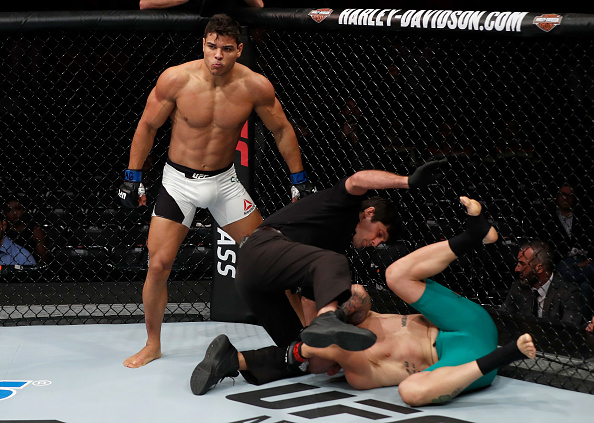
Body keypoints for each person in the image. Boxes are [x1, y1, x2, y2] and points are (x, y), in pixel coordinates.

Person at [191, 197, 537, 406]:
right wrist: (332, 319)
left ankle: (474, 236)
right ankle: (233, 359)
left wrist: (340, 313)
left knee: (391, 283)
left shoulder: (348, 334)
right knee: (408, 386)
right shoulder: (359, 368)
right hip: (464, 354)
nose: (374, 243)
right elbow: (320, 332)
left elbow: (352, 300)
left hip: (465, 338)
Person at [118, 13, 313, 368]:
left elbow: (282, 131)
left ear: (239, 49)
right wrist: (133, 176)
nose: (217, 56)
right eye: (211, 47)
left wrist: (298, 180)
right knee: (159, 264)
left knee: (273, 259)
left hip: (224, 184)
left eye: (226, 48)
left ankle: (308, 338)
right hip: (178, 183)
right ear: (203, 45)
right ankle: (152, 343)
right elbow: (147, 125)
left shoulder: (255, 86)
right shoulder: (177, 79)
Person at [234, 159, 448, 353]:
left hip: (253, 282)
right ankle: (328, 319)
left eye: (380, 242)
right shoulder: (343, 204)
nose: (374, 243)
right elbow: (358, 179)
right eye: (378, 234)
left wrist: (319, 347)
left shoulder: (328, 253)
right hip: (260, 248)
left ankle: (232, 360)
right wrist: (408, 181)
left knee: (299, 352)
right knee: (335, 261)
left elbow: (309, 299)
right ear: (369, 213)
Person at [500, 239, 583, 325]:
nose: (516, 269)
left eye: (522, 264)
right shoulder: (518, 287)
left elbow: (569, 331)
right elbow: (502, 318)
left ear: (539, 268)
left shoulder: (569, 293)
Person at [3, 197, 49, 264]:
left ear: (24, 210)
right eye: (9, 210)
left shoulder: (36, 231)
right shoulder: (2, 231)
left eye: (18, 209)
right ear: (5, 213)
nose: (14, 213)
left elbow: (44, 260)